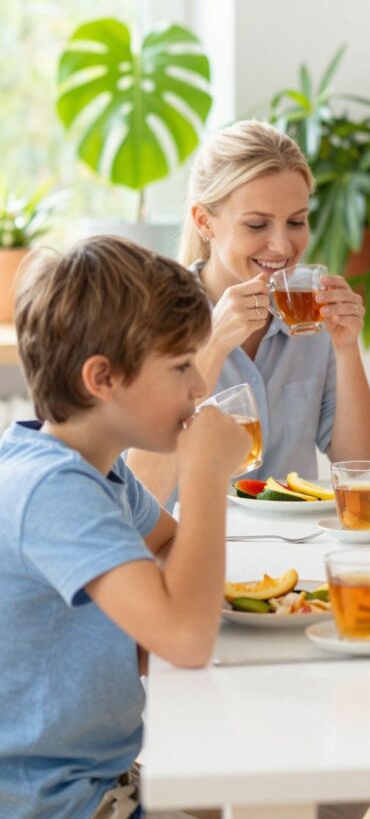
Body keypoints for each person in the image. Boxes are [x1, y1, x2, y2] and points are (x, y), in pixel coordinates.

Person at [0, 236, 250, 816]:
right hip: (53, 801)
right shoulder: (52, 491)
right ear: (102, 378)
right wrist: (206, 474)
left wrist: (146, 613)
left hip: (101, 774)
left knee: (220, 786)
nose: (199, 388)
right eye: (182, 366)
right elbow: (187, 640)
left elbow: (167, 542)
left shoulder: (97, 469)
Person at [127, 120, 370, 505]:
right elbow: (139, 490)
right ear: (204, 220)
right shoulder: (149, 317)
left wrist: (346, 348)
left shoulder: (309, 316)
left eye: (296, 222)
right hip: (186, 549)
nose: (282, 245)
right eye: (257, 224)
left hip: (294, 548)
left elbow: (357, 465)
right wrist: (212, 347)